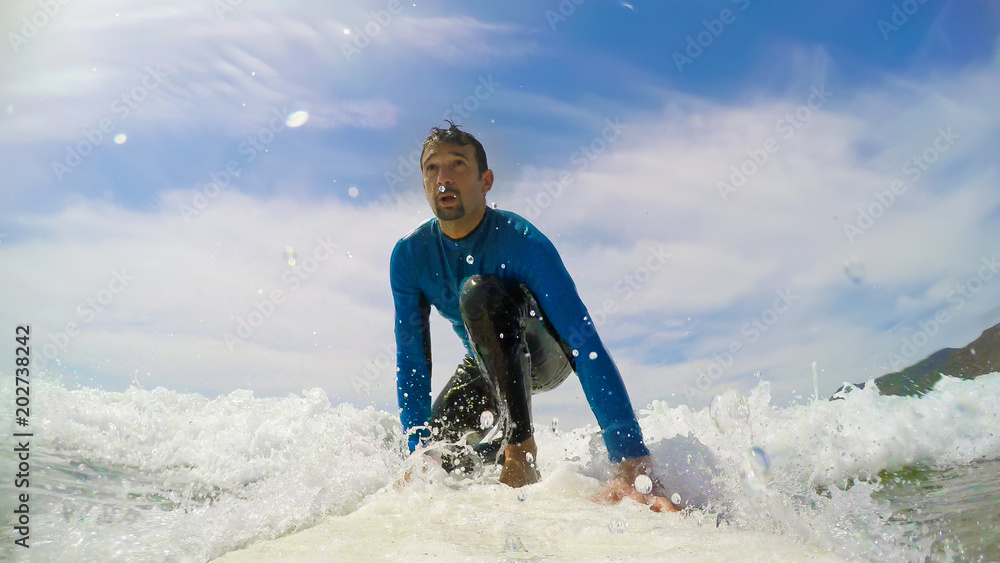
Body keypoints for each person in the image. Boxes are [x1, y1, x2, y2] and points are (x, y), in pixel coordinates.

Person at [391, 122, 679, 512]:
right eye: (432, 168)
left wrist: (633, 463)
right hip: (484, 363)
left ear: (486, 180)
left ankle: (520, 451)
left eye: (458, 165)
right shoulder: (410, 256)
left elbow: (583, 342)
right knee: (441, 458)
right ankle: (494, 455)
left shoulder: (522, 241)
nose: (444, 178)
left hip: (544, 353)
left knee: (478, 292)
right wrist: (417, 449)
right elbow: (412, 360)